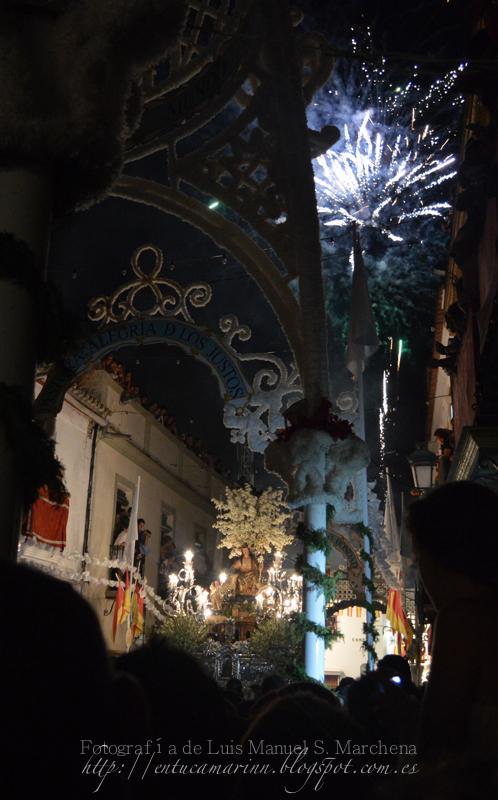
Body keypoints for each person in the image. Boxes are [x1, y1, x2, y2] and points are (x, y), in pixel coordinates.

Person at [406, 480, 498, 762]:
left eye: (418, 560)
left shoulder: (465, 620)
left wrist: (403, 722)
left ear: (441, 558)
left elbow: (436, 747)